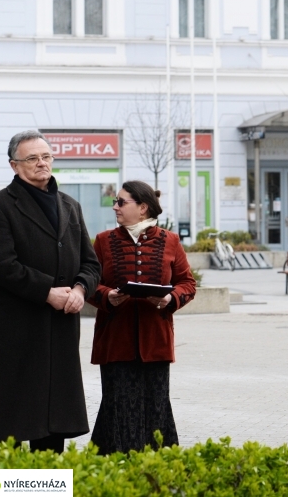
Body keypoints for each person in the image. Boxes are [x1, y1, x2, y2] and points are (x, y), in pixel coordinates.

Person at [0, 130, 101, 452]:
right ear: (14, 165)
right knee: (15, 420)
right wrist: (48, 291)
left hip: (61, 328)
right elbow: (2, 266)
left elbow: (90, 263)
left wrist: (79, 288)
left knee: (54, 425)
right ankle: (8, 486)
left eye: (46, 156)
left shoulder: (70, 205)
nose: (41, 163)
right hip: (20, 330)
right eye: (32, 158)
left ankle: (46, 484)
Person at [88, 181, 196, 454]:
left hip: (155, 342)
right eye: (116, 201)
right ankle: (114, 473)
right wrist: (107, 295)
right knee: (117, 405)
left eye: (121, 202)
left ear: (143, 207)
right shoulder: (103, 240)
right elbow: (90, 283)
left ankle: (158, 472)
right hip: (115, 341)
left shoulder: (170, 240)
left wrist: (171, 298)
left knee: (156, 405)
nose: (115, 207)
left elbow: (188, 283)